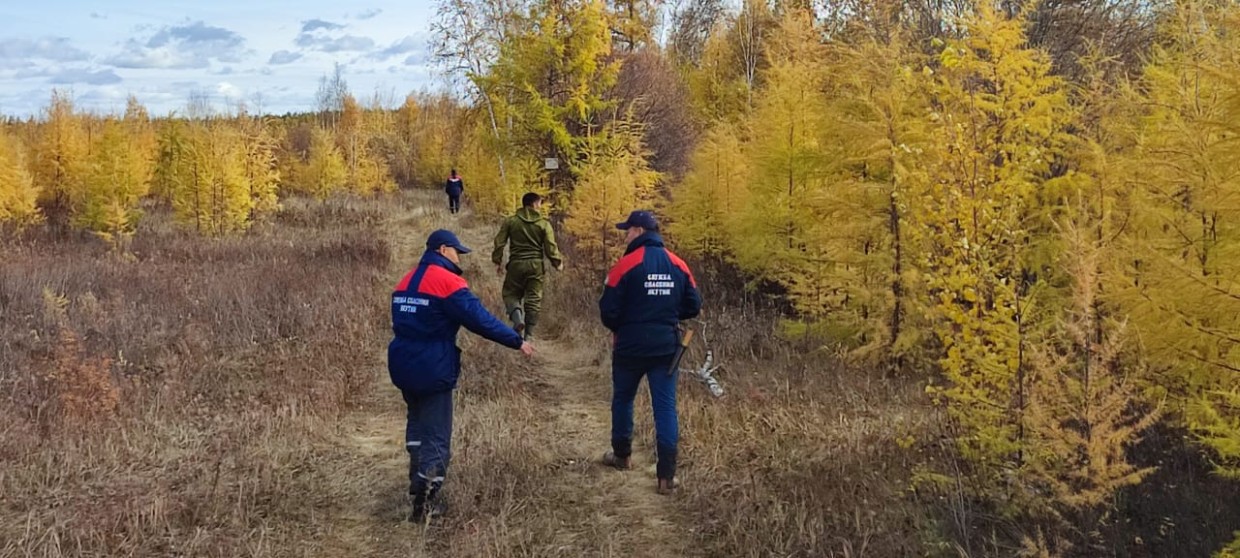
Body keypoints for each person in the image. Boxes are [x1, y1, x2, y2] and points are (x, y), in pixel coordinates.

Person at [389, 229, 534, 522]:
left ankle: (417, 486)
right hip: (432, 366)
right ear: (443, 250)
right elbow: (480, 320)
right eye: (458, 252)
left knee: (417, 426)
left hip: (402, 363)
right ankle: (427, 502)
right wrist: (516, 341)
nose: (460, 258)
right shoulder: (447, 282)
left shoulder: (406, 280)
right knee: (437, 434)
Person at [598, 210, 701, 494]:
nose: (625, 235)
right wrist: (666, 314)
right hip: (666, 347)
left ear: (640, 231)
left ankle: (622, 455)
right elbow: (694, 305)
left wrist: (626, 324)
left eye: (627, 230)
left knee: (623, 398)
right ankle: (666, 477)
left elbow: (607, 311)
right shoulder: (678, 264)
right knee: (665, 407)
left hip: (629, 346)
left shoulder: (625, 265)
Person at [492, 192, 564, 340]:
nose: (540, 206)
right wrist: (557, 263)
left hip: (516, 265)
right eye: (539, 203)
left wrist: (497, 261)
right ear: (533, 204)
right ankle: (529, 335)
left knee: (510, 293)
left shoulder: (511, 221)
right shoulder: (544, 224)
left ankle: (518, 319)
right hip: (536, 266)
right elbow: (550, 247)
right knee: (533, 299)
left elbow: (499, 242)